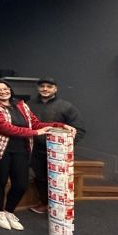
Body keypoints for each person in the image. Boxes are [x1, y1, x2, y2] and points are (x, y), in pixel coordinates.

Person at [0, 80, 75, 231]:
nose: (3, 91)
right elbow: (6, 128)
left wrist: (61, 125)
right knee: (0, 181)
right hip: (1, 150)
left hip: (22, 149)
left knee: (21, 184)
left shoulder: (22, 105)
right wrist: (35, 132)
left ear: (10, 90)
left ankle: (9, 211)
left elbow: (36, 124)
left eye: (5, 88)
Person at [28, 77, 86, 214]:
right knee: (40, 178)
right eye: (42, 86)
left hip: (59, 151)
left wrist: (67, 147)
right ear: (38, 88)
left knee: (59, 179)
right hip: (36, 150)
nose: (45, 89)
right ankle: (44, 203)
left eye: (49, 86)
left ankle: (59, 209)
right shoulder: (29, 105)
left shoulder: (66, 106)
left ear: (55, 89)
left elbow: (79, 129)